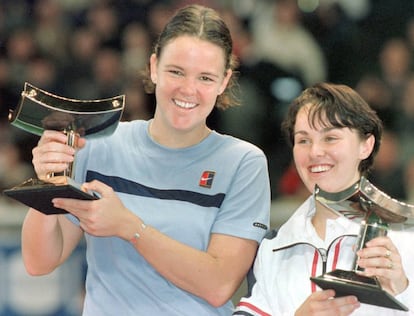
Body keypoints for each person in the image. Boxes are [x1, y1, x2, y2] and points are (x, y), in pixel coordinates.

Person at [21, 5, 270, 316]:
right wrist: (47, 180)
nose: (188, 89)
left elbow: (219, 285)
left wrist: (130, 227)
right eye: (176, 71)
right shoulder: (98, 146)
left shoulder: (243, 163)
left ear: (223, 82)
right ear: (154, 67)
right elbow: (39, 262)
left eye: (205, 78)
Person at [233, 82, 414, 315]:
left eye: (330, 138)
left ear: (366, 146)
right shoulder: (275, 247)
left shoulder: (406, 237)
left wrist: (402, 290)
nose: (315, 152)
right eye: (303, 140)